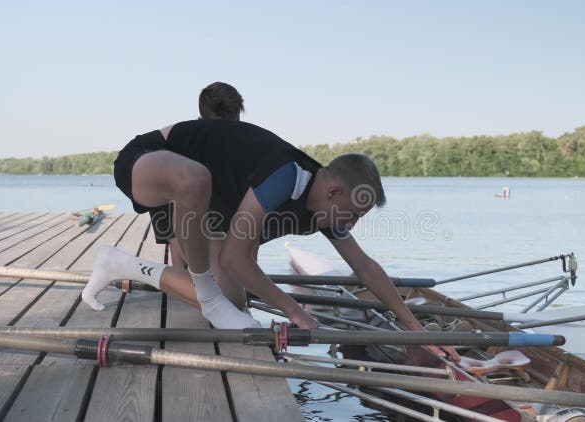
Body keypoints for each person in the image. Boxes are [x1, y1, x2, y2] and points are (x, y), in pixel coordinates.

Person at [84, 119, 459, 360]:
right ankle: (197, 287)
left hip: (207, 202)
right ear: (333, 193)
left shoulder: (325, 209)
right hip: (150, 159)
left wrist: (414, 328)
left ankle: (120, 264)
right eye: (355, 214)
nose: (353, 224)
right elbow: (236, 258)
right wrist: (293, 309)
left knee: (233, 303)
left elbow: (364, 266)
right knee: (195, 181)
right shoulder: (287, 176)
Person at [151, 82, 246, 268]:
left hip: (180, 204)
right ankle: (184, 280)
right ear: (233, 116)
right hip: (170, 204)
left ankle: (188, 279)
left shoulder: (190, 134)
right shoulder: (190, 141)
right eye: (237, 118)